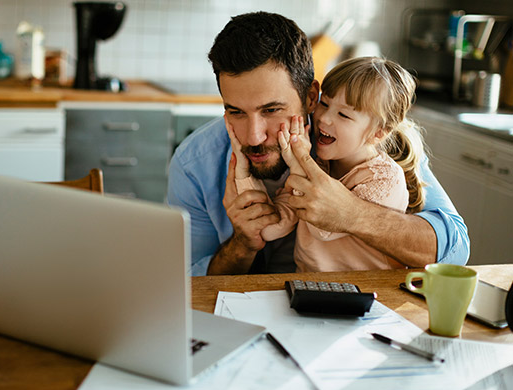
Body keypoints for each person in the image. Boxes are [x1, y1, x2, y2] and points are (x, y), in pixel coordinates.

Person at [167, 11, 469, 276]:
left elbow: (454, 248)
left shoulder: (366, 142)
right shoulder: (195, 163)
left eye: (272, 110)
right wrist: (243, 243)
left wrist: (351, 213)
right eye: (235, 111)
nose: (254, 137)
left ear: (312, 97)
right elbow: (187, 284)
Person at [229, 56, 426, 271]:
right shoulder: (321, 164)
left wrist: (298, 164)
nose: (324, 118)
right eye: (325, 103)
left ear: (378, 133)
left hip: (367, 292)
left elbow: (323, 227)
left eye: (343, 114)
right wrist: (243, 171)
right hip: (311, 288)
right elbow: (271, 230)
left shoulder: (385, 179)